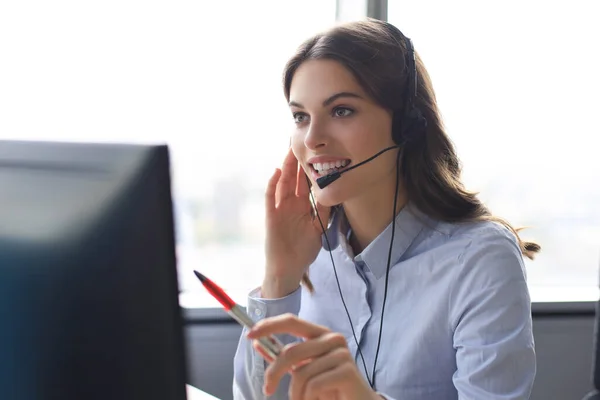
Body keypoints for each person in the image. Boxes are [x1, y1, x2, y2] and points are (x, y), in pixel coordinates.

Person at [233, 18, 540, 400]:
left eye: (342, 111)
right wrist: (280, 278)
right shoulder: (303, 252)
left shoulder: (478, 257)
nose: (312, 139)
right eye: (300, 117)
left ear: (407, 125)